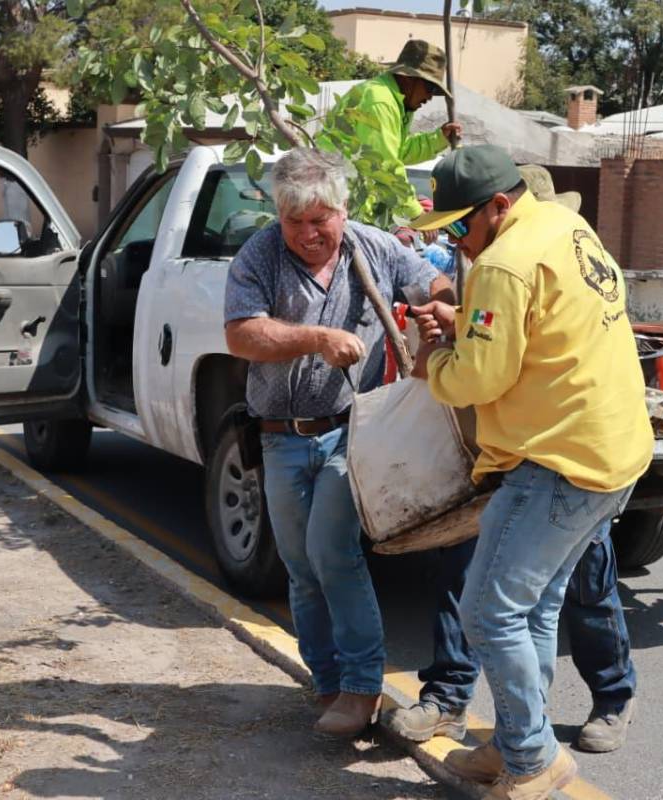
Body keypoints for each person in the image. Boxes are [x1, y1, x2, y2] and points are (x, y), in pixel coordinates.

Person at [406, 146, 654, 799]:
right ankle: (518, 739)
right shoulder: (567, 230)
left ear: (499, 206)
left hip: (559, 462)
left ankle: (532, 757)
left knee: (488, 612)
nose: (457, 242)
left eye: (462, 227)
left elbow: (480, 377)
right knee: (536, 608)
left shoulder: (502, 263)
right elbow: (538, 336)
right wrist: (468, 327)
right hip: (614, 453)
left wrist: (432, 363)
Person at [223, 148, 454, 738]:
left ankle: (360, 687)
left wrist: (436, 308)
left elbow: (436, 283)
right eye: (293, 222)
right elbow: (242, 334)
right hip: (278, 439)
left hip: (352, 433)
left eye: (318, 220)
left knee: (334, 554)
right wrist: (316, 337)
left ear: (342, 210)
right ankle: (325, 681)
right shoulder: (261, 253)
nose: (306, 234)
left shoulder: (373, 246)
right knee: (300, 568)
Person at [318, 39, 463, 222]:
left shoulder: (398, 101)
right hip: (337, 206)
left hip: (348, 205)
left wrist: (438, 139)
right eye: (430, 88)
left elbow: (397, 151)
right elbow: (385, 166)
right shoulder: (381, 102)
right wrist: (416, 214)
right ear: (408, 78)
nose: (429, 97)